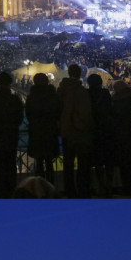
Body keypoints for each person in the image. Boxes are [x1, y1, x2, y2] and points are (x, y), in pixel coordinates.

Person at [57, 64, 93, 197]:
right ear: (79, 74)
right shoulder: (81, 91)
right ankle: (83, 190)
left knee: (68, 164)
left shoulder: (61, 90)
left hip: (66, 132)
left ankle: (69, 191)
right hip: (80, 132)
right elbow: (85, 113)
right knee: (83, 164)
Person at [25, 72, 60, 184]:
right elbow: (58, 113)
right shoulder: (53, 96)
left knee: (39, 163)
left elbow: (28, 114)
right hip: (50, 132)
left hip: (37, 133)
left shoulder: (31, 97)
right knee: (49, 163)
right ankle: (51, 188)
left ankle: (39, 189)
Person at [111, 81, 131, 196]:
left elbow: (115, 120)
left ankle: (128, 187)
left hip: (121, 136)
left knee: (124, 164)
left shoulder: (117, 102)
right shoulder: (129, 99)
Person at [86, 72, 114, 195]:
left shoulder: (86, 94)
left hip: (93, 131)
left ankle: (100, 186)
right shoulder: (105, 94)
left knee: (97, 162)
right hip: (106, 131)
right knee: (108, 160)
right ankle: (109, 185)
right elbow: (111, 110)